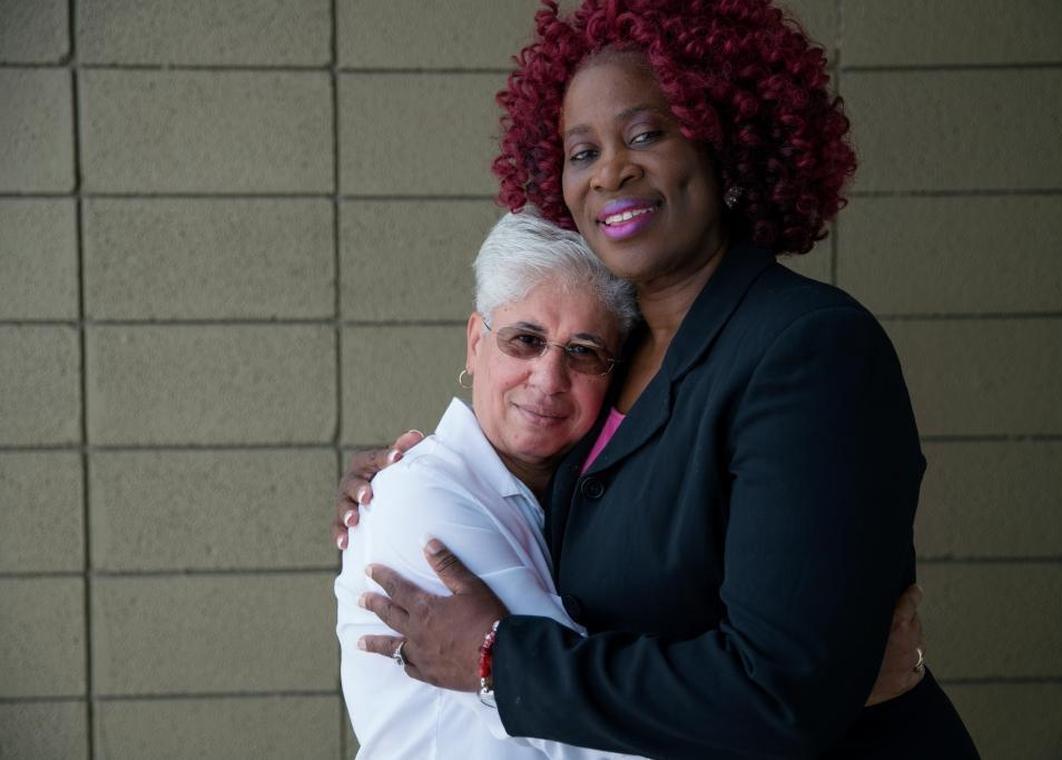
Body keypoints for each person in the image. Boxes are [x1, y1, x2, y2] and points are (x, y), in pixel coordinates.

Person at [336, 1, 977, 757]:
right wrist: (413, 485)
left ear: (724, 145)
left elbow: (779, 692)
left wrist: (496, 660)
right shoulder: (614, 353)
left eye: (646, 134)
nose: (612, 169)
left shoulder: (810, 352)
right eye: (583, 151)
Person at [337, 210, 924, 759]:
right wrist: (828, 696)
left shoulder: (556, 493)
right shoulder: (425, 498)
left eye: (585, 353)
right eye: (524, 340)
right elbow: (590, 743)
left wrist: (824, 667)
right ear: (475, 340)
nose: (548, 378)